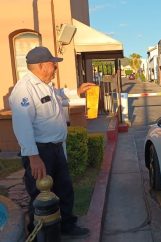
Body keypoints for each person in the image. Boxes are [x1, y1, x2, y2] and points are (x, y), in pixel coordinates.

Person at [9, 46, 95, 238]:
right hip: (40, 152)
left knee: (64, 189)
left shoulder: (45, 85)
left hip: (55, 150)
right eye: (52, 64)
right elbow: (22, 126)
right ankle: (38, 233)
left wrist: (78, 91)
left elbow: (60, 95)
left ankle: (66, 226)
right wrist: (33, 157)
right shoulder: (24, 90)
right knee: (40, 195)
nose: (55, 68)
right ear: (41, 66)